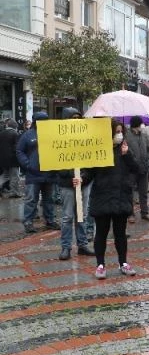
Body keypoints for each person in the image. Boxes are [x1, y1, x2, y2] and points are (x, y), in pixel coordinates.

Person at [79, 119, 139, 279]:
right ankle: (100, 265)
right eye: (116, 131)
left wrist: (127, 156)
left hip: (121, 197)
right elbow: (89, 173)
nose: (119, 135)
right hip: (102, 197)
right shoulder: (98, 150)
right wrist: (81, 180)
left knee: (120, 233)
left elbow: (138, 169)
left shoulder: (125, 149)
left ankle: (123, 263)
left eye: (121, 131)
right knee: (101, 234)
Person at [56, 108, 94, 260]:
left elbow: (91, 163)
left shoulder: (86, 140)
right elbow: (56, 163)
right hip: (67, 185)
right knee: (67, 217)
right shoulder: (59, 140)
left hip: (83, 184)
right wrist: (71, 176)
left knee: (82, 216)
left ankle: (82, 244)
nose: (77, 122)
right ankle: (66, 247)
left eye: (79, 118)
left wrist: (83, 178)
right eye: (73, 118)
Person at [16, 111, 59, 234]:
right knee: (31, 199)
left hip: (50, 174)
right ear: (35, 122)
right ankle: (28, 222)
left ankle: (50, 220)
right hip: (33, 174)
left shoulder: (52, 134)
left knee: (49, 199)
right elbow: (19, 151)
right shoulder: (27, 135)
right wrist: (28, 164)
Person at [125, 116, 149, 222]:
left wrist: (148, 161)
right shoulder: (126, 136)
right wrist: (133, 164)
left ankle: (145, 212)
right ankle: (130, 214)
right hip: (131, 170)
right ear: (136, 125)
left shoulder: (143, 135)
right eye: (141, 124)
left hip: (144, 168)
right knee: (130, 192)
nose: (142, 126)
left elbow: (148, 149)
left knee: (143, 192)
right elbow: (127, 152)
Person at [0, 119, 22, 198]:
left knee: (5, 175)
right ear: (15, 126)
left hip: (2, 159)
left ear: (7, 125)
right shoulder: (15, 134)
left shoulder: (1, 133)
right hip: (13, 159)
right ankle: (14, 192)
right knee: (14, 176)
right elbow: (17, 147)